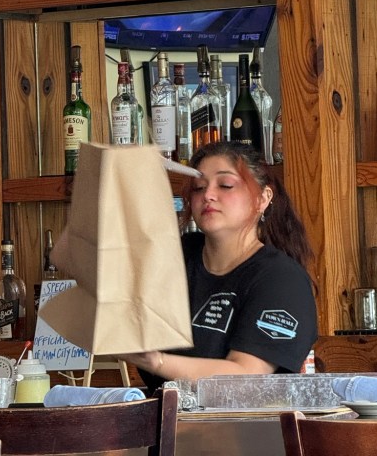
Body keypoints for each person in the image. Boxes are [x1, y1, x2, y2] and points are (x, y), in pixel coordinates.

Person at [122, 140, 317, 387]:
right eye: (199, 187)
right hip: (166, 410)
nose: (208, 195)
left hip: (244, 413)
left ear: (263, 198)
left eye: (225, 185)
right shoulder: (178, 257)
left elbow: (246, 375)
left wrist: (156, 361)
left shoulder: (282, 280)